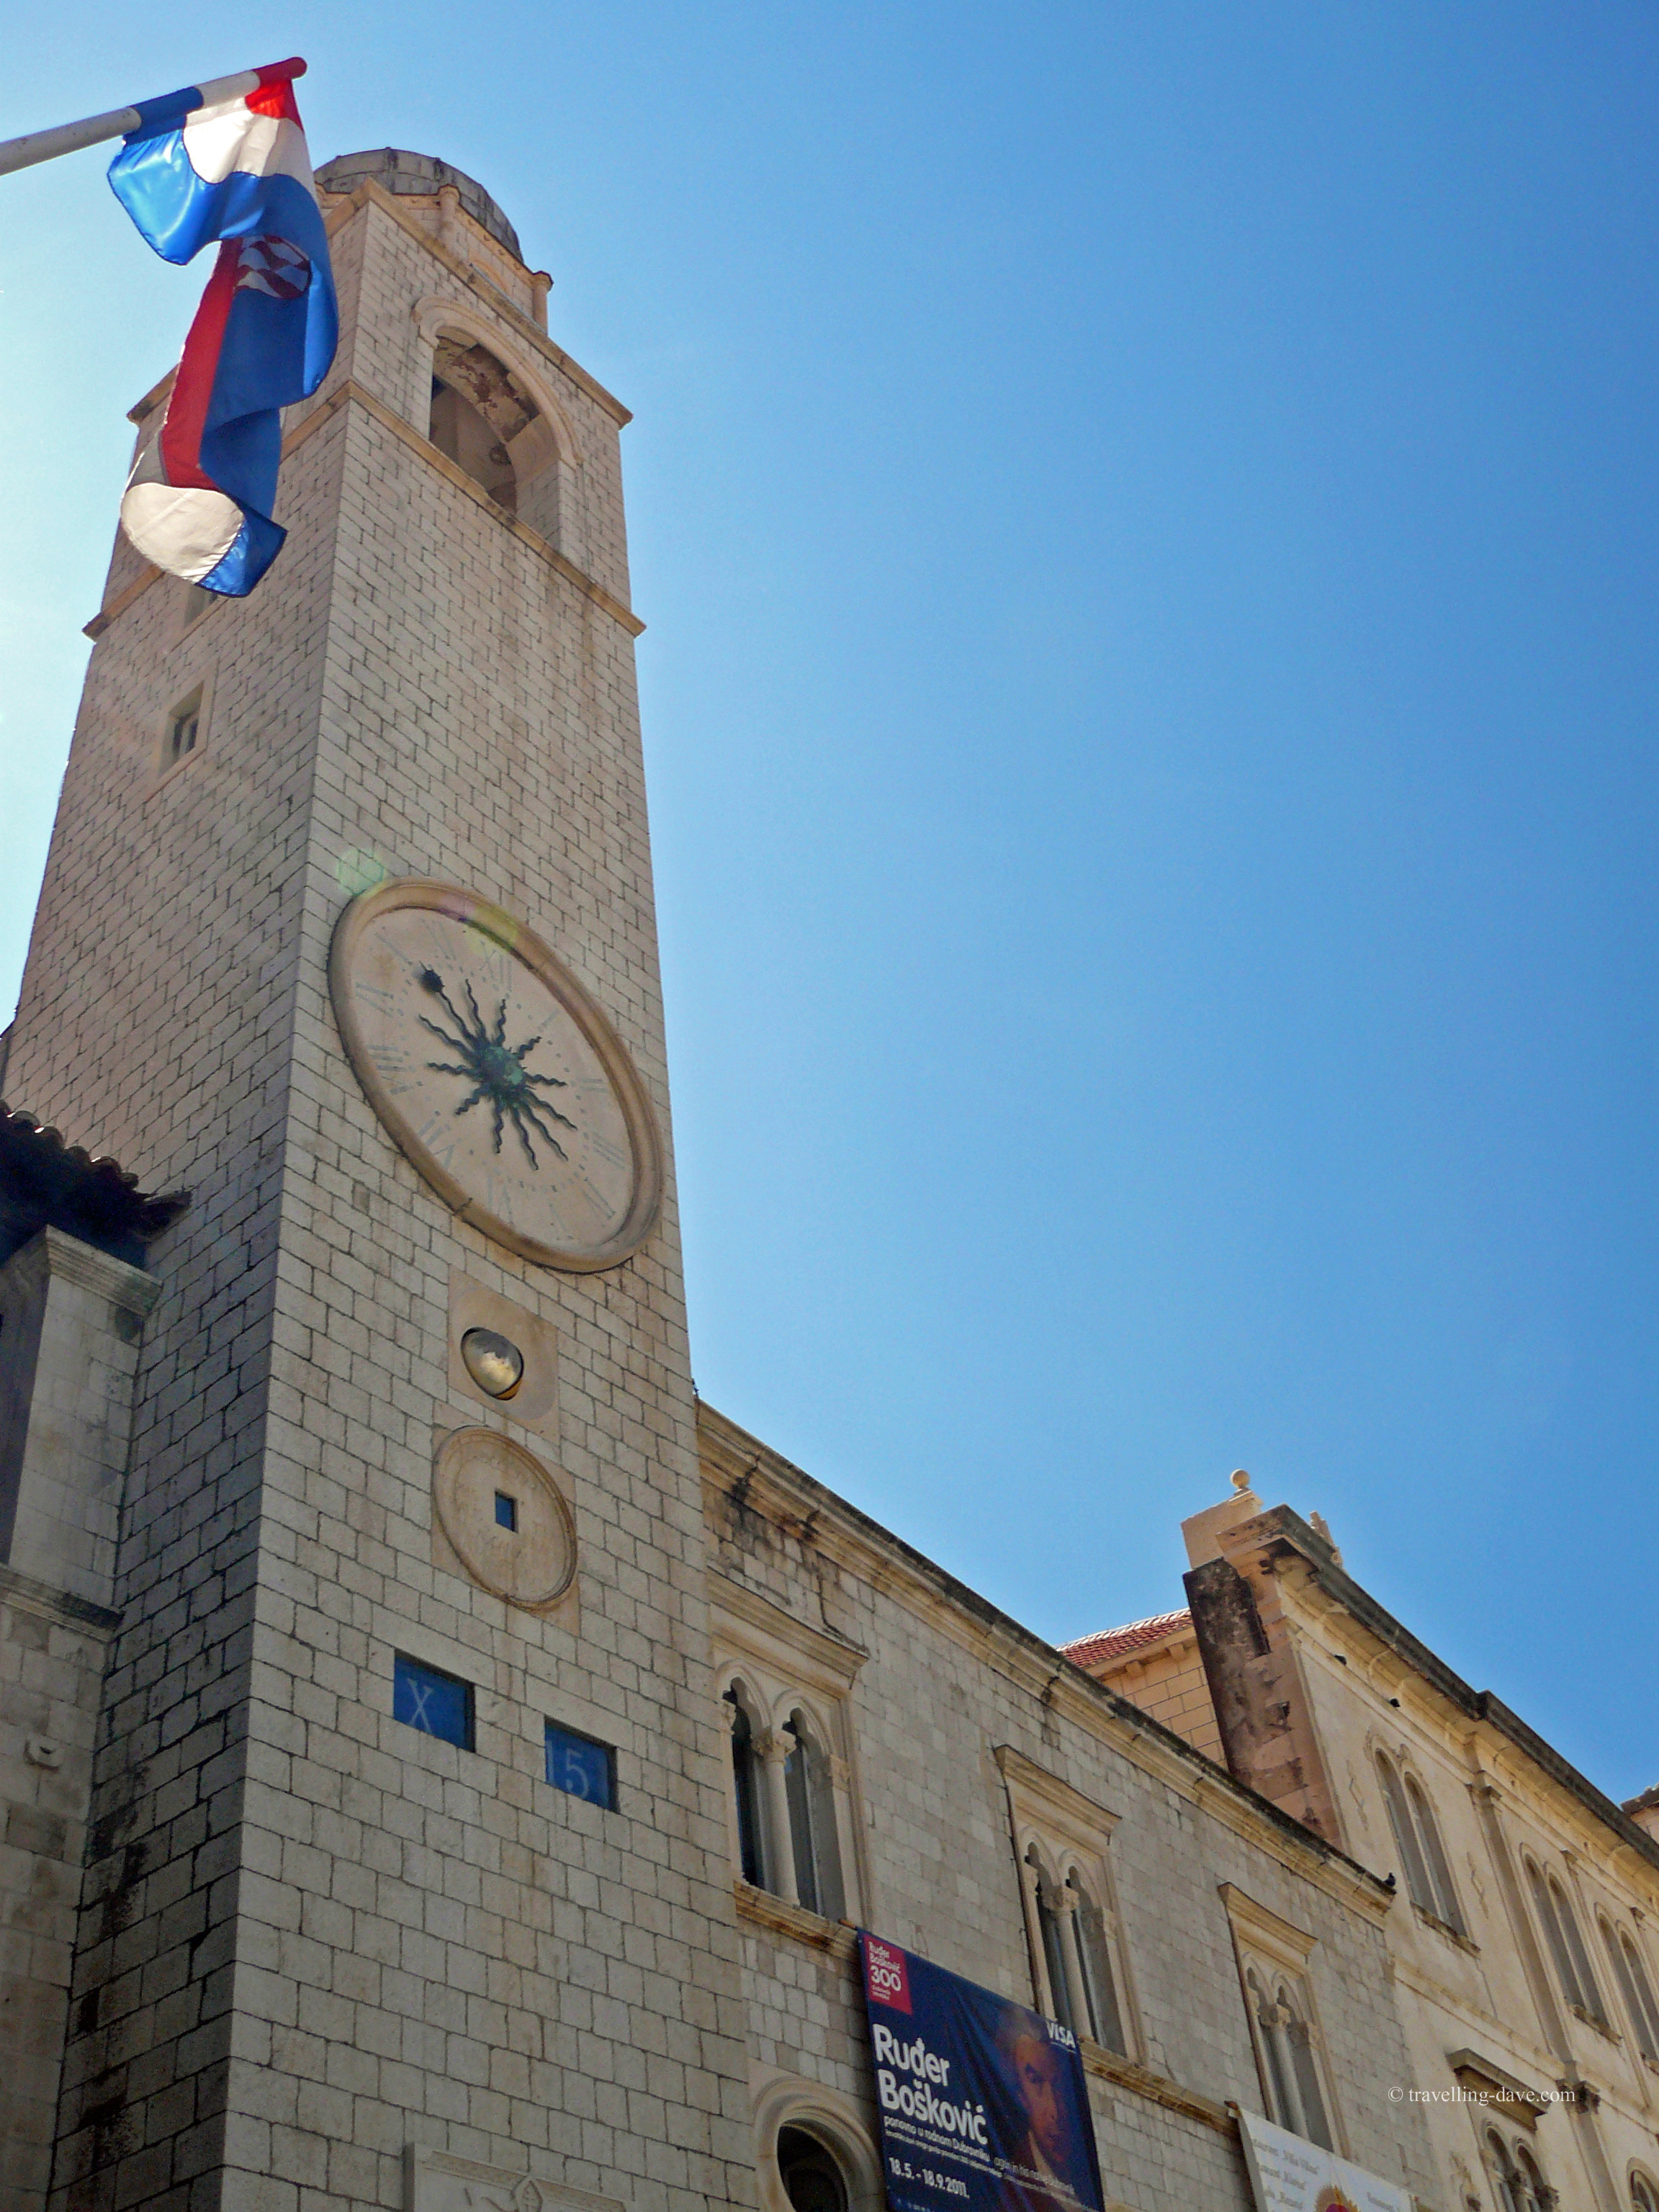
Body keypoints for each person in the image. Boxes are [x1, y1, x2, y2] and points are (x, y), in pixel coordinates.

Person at [994, 2008, 1090, 2212]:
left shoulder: (1085, 2176)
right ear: (1018, 2092)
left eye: (1059, 2084)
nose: (1055, 2111)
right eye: (1035, 2081)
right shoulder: (1009, 2191)